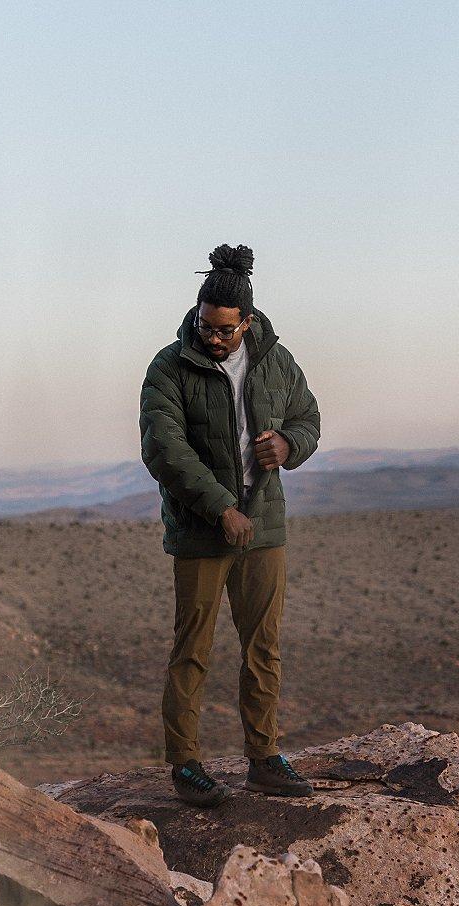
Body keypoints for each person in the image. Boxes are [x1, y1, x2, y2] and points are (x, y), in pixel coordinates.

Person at [139, 244, 321, 808]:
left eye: (224, 330)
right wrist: (221, 507)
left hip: (264, 526)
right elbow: (164, 448)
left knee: (262, 647)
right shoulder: (170, 367)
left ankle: (264, 759)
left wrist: (288, 444)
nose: (213, 338)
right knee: (192, 647)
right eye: (205, 326)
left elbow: (308, 418)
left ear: (247, 321)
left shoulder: (276, 360)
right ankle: (185, 766)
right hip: (202, 529)